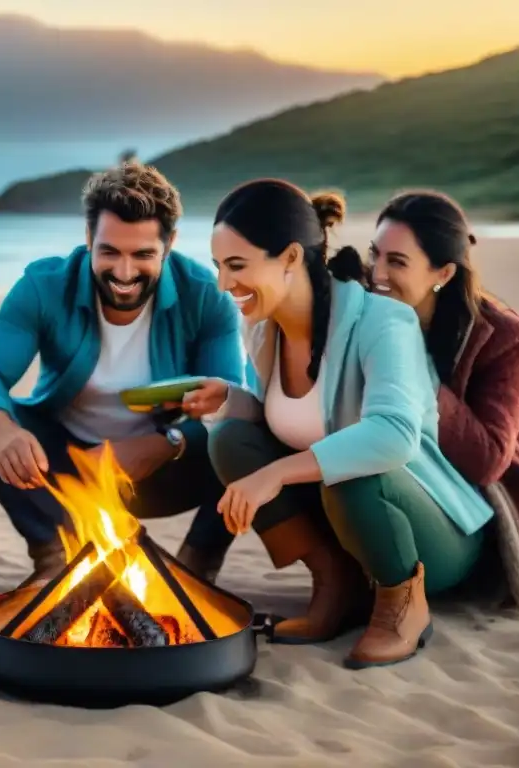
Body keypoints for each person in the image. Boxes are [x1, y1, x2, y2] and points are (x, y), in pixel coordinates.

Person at [179, 178, 495, 669]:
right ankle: (336, 582)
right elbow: (287, 422)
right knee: (230, 440)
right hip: (349, 519)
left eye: (237, 266)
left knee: (350, 473)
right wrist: (230, 401)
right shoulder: (262, 327)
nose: (224, 284)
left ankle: (402, 605)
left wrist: (276, 475)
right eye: (219, 266)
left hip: (431, 532)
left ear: (288, 258)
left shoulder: (384, 321)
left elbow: (393, 437)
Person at [0, 161, 243, 587]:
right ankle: (52, 554)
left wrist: (166, 443)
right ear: (89, 238)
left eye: (143, 254)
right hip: (67, 466)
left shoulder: (205, 294)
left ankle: (196, 567)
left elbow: (229, 406)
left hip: (159, 470)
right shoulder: (44, 286)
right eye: (109, 252)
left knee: (244, 441)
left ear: (170, 244)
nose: (124, 274)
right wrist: (0, 431)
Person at [366, 190, 519, 609]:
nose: (377, 273)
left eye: (396, 262)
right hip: (409, 488)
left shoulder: (504, 338)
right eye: (374, 254)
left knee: (360, 468)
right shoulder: (364, 309)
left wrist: (409, 363)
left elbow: (487, 461)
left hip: (484, 514)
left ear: (443, 274)